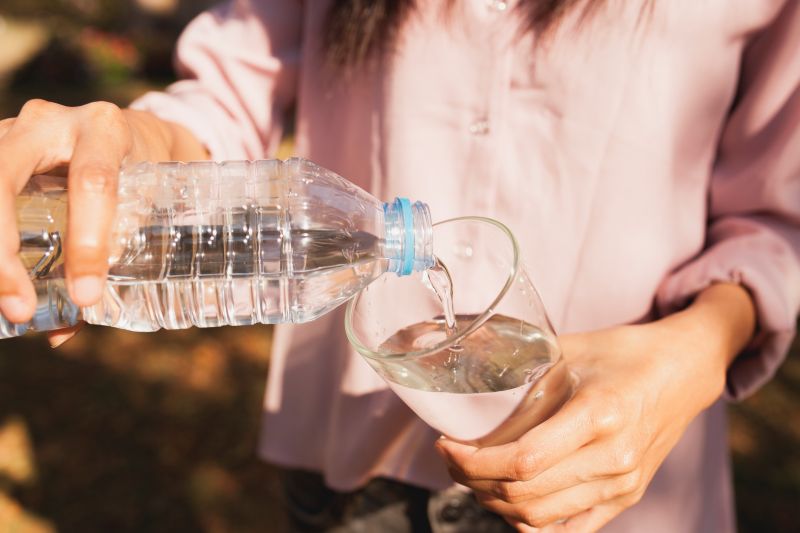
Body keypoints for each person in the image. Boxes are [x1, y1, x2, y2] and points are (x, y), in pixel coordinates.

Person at [1, 0, 799, 531]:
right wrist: (140, 155)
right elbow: (230, 92)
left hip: (619, 482)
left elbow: (775, 218)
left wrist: (693, 354)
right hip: (359, 472)